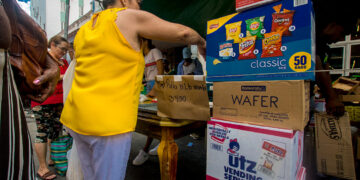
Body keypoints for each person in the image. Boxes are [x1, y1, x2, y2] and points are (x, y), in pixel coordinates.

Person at [59, 0, 206, 179]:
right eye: (138, 1)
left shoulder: (85, 29)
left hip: (76, 116)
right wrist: (202, 43)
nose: (139, 6)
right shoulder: (126, 16)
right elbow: (184, 33)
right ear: (124, 0)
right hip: (108, 123)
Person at [0, 0, 60, 179]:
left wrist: (43, 59)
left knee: (12, 163)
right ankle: (42, 166)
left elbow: (13, 14)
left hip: (5, 74)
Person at [31, 36, 69, 180]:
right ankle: (42, 168)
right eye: (62, 49)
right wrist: (63, 76)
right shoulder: (42, 59)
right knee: (42, 132)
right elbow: (38, 78)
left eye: (66, 50)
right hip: (43, 101)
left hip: (59, 102)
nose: (64, 52)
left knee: (55, 131)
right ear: (52, 44)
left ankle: (53, 158)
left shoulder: (64, 61)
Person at [313, 0, 358, 117]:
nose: (341, 39)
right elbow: (317, 68)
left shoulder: (324, 47)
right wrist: (331, 97)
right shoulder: (312, 41)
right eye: (342, 33)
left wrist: (330, 94)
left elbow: (325, 70)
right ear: (331, 26)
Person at [133, 39, 163, 166]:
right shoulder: (144, 57)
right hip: (149, 85)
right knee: (153, 118)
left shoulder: (155, 51)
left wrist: (156, 88)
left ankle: (145, 150)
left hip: (157, 84)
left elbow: (160, 72)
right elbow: (147, 74)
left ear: (144, 41)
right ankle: (162, 143)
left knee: (155, 118)